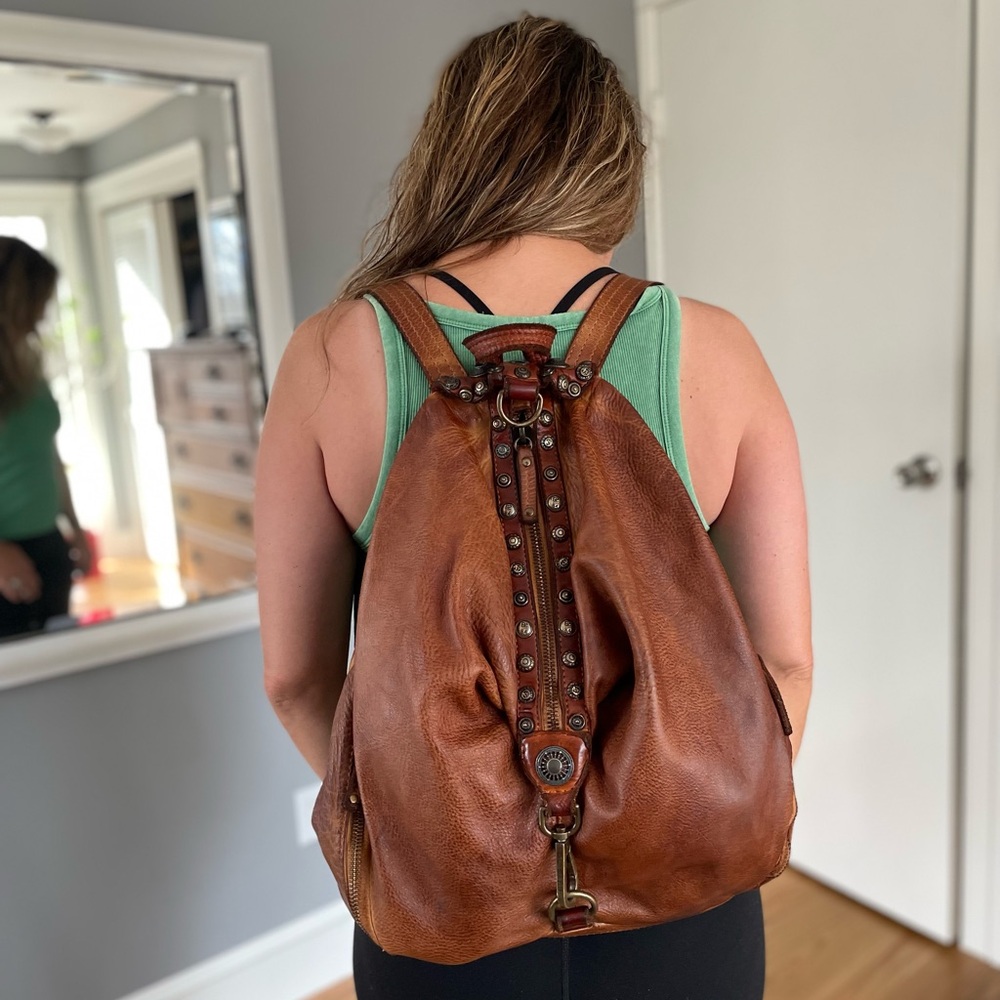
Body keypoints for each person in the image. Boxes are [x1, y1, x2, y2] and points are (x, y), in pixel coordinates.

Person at [255, 14, 812, 1000]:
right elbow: (782, 666)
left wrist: (426, 817)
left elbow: (297, 680)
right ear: (611, 166)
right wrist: (666, 811)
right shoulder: (719, 351)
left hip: (436, 906)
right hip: (689, 911)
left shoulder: (332, 355)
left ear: (450, 149)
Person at [0, 236, 91, 639]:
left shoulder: (29, 368)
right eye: (37, 301)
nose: (42, 316)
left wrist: (74, 525)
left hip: (47, 542)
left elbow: (47, 455)